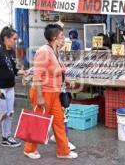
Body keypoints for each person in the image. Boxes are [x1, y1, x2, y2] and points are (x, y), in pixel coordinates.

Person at [23, 24, 77, 159]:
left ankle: (63, 151)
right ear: (54, 38)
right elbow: (37, 76)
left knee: (59, 121)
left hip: (54, 94)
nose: (64, 38)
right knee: (39, 122)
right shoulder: (44, 51)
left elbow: (58, 70)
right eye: (61, 36)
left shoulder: (55, 51)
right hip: (43, 93)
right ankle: (29, 149)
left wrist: (67, 80)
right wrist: (40, 97)